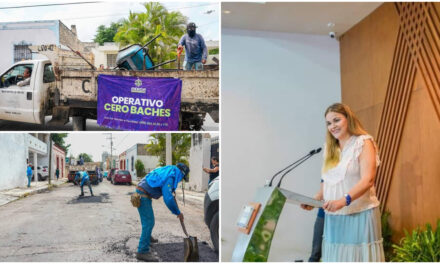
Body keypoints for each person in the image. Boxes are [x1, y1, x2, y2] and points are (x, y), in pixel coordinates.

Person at [301, 103, 385, 261]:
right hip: (335, 216)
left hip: (360, 213)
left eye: (336, 120)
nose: (332, 126)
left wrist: (343, 200)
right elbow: (328, 180)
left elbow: (368, 180)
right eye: (328, 123)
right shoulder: (329, 148)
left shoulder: (363, 142)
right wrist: (316, 199)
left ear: (348, 119)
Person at [134, 163, 190, 261]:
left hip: (143, 192)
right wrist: (177, 212)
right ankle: (142, 251)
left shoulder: (169, 170)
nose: (181, 179)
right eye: (182, 177)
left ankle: (147, 238)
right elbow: (168, 198)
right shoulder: (171, 176)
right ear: (181, 173)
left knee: (147, 220)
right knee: (149, 222)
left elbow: (168, 193)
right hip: (143, 194)